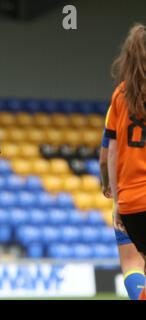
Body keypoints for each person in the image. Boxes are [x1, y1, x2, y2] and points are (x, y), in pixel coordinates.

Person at [106, 23, 146, 300]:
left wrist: (118, 201)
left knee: (135, 264)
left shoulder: (120, 95)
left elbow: (112, 152)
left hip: (132, 202)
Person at [99, 129, 145, 299]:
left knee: (133, 263)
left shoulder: (118, 104)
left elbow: (107, 157)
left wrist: (107, 186)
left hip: (129, 196)